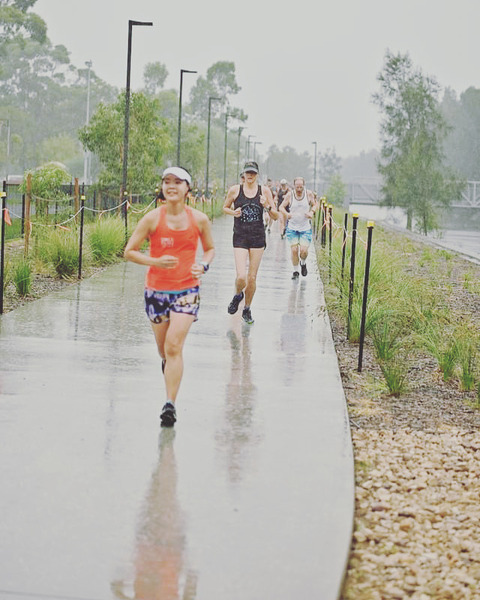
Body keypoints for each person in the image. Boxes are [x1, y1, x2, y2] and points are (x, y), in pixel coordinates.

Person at [124, 166, 215, 427]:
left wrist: (203, 265)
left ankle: (169, 404)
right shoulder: (152, 219)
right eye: (167, 182)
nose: (171, 186)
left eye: (177, 182)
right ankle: (168, 366)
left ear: (188, 188)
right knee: (164, 350)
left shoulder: (199, 219)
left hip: (187, 289)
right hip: (156, 292)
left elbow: (209, 249)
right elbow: (130, 251)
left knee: (175, 346)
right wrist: (155, 261)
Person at [223, 160, 278, 324]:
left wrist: (266, 205)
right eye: (248, 173)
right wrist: (234, 212)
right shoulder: (235, 190)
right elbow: (224, 207)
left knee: (252, 278)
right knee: (241, 277)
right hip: (240, 236)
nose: (250, 176)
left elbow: (275, 215)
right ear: (243, 174)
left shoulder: (264, 191)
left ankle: (246, 308)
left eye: (253, 173)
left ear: (257, 175)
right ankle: (237, 295)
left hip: (257, 237)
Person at [279, 176, 318, 280]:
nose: (299, 189)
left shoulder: (308, 194)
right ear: (294, 186)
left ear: (303, 186)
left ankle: (303, 263)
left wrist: (311, 212)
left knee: (304, 251)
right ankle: (296, 271)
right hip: (292, 227)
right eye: (297, 187)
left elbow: (315, 205)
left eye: (301, 187)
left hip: (305, 228)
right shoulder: (289, 195)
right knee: (294, 250)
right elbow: (281, 207)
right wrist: (286, 214)